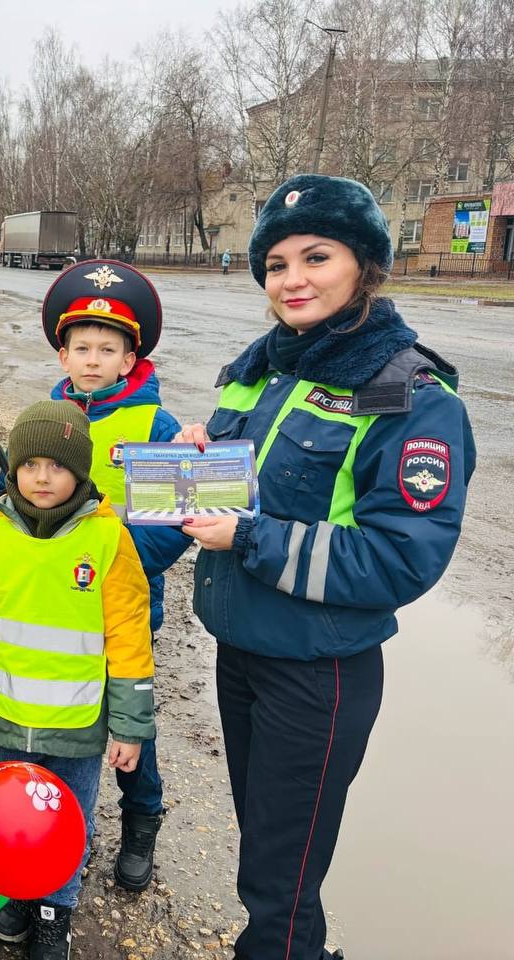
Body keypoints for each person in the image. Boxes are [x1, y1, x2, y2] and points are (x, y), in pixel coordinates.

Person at [177, 174, 475, 960]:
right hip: (241, 650)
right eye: (275, 264)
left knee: (279, 882)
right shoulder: (261, 368)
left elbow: (399, 558)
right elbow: (250, 489)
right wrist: (197, 463)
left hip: (317, 672)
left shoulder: (409, 392)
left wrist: (249, 537)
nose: (293, 279)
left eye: (316, 256)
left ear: (364, 265)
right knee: (272, 859)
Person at [0, 400, 155, 960]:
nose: (41, 477)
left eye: (56, 466)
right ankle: (16, 893)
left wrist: (131, 727)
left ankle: (55, 910)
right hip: (5, 719)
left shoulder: (108, 540)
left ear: (79, 473)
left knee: (67, 826)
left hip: (79, 727)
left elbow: (130, 637)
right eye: (29, 464)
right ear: (12, 469)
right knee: (13, 820)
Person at [31, 260, 190, 890]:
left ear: (130, 359)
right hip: (50, 610)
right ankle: (52, 827)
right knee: (55, 721)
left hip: (122, 609)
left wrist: (114, 569)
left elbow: (172, 523)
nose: (92, 360)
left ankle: (141, 817)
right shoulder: (45, 419)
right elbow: (9, 498)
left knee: (129, 723)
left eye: (108, 349)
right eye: (81, 347)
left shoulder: (155, 426)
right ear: (63, 354)